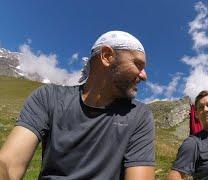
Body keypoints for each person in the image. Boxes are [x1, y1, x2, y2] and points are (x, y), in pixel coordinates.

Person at [0, 30, 155, 180]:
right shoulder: (48, 98)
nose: (144, 75)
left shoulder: (139, 115)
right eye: (138, 64)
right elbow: (8, 164)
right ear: (107, 56)